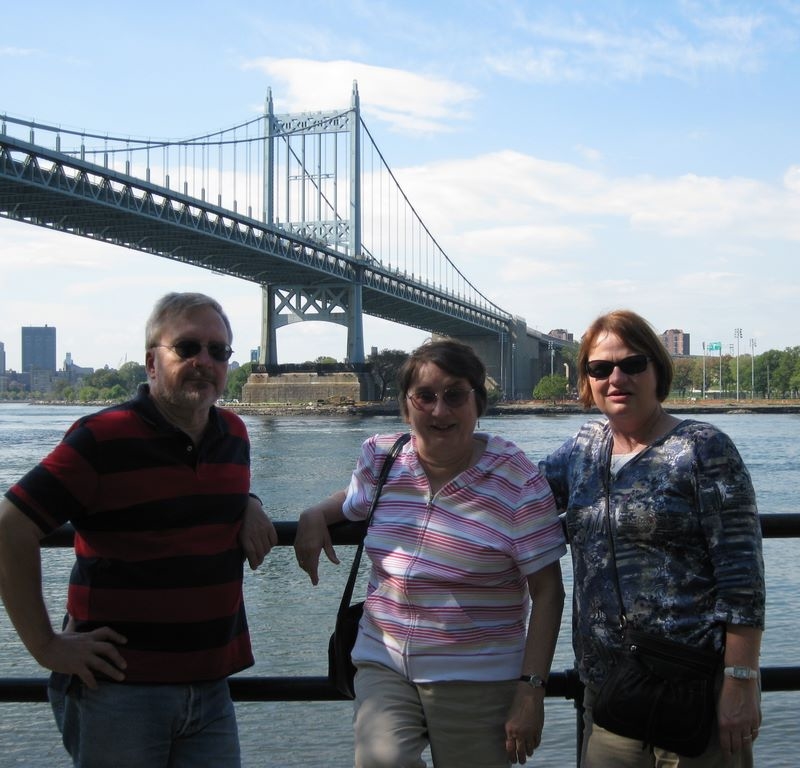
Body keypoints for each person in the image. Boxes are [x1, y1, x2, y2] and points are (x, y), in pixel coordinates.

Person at [0, 292, 278, 768]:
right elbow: (10, 527)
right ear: (152, 362)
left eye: (218, 351)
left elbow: (200, 494)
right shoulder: (101, 438)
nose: (204, 362)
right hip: (118, 691)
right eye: (186, 348)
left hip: (211, 688)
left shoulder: (233, 434)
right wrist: (46, 646)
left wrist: (249, 503)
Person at [295, 338, 566, 768]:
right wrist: (314, 514)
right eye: (425, 396)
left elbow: (549, 591)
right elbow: (353, 499)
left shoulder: (516, 477)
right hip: (384, 660)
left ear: (479, 402)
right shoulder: (382, 458)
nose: (440, 411)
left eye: (455, 395)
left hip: (478, 674)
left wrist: (531, 689)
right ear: (406, 405)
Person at [540, 309, 765, 768]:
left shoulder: (703, 448)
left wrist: (740, 681)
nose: (616, 377)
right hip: (608, 688)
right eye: (600, 368)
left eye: (633, 364)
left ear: (657, 370)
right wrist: (365, 501)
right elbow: (508, 494)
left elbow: (742, 578)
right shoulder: (584, 448)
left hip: (693, 688)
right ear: (587, 380)